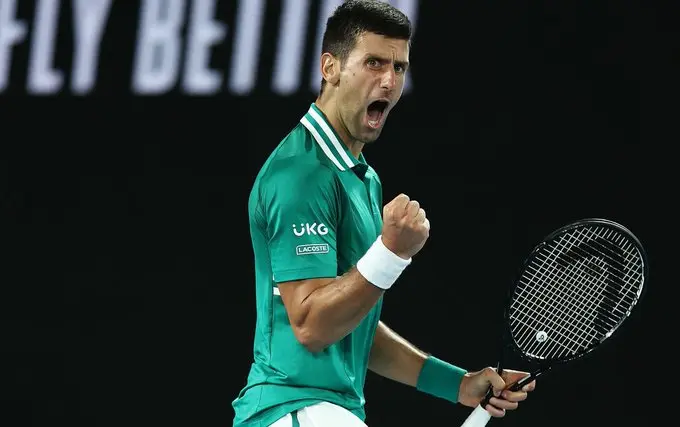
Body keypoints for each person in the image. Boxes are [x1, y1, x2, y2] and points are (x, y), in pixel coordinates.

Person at [232, 1, 536, 426]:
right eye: (374, 63)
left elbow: (351, 322)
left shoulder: (362, 178)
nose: (389, 81)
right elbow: (313, 326)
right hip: (295, 408)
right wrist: (391, 254)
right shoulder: (301, 175)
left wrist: (457, 384)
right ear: (330, 68)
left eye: (399, 67)